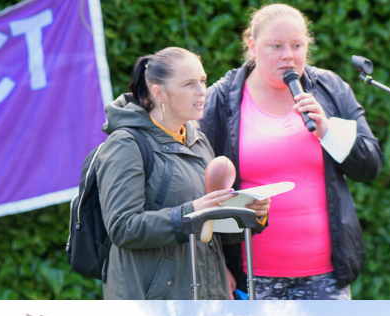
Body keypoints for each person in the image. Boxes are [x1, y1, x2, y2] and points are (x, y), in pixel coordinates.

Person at [200, 3, 384, 300]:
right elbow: (198, 189)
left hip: (325, 274)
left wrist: (328, 131)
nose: (289, 55)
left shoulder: (331, 89)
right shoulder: (220, 99)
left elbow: (370, 164)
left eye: (297, 45)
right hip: (252, 275)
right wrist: (217, 264)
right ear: (252, 46)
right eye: (276, 45)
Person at [98, 47, 270, 300]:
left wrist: (250, 214)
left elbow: (210, 228)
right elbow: (123, 227)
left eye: (202, 81)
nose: (202, 92)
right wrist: (192, 212)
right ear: (159, 93)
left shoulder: (197, 140)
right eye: (189, 84)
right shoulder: (126, 144)